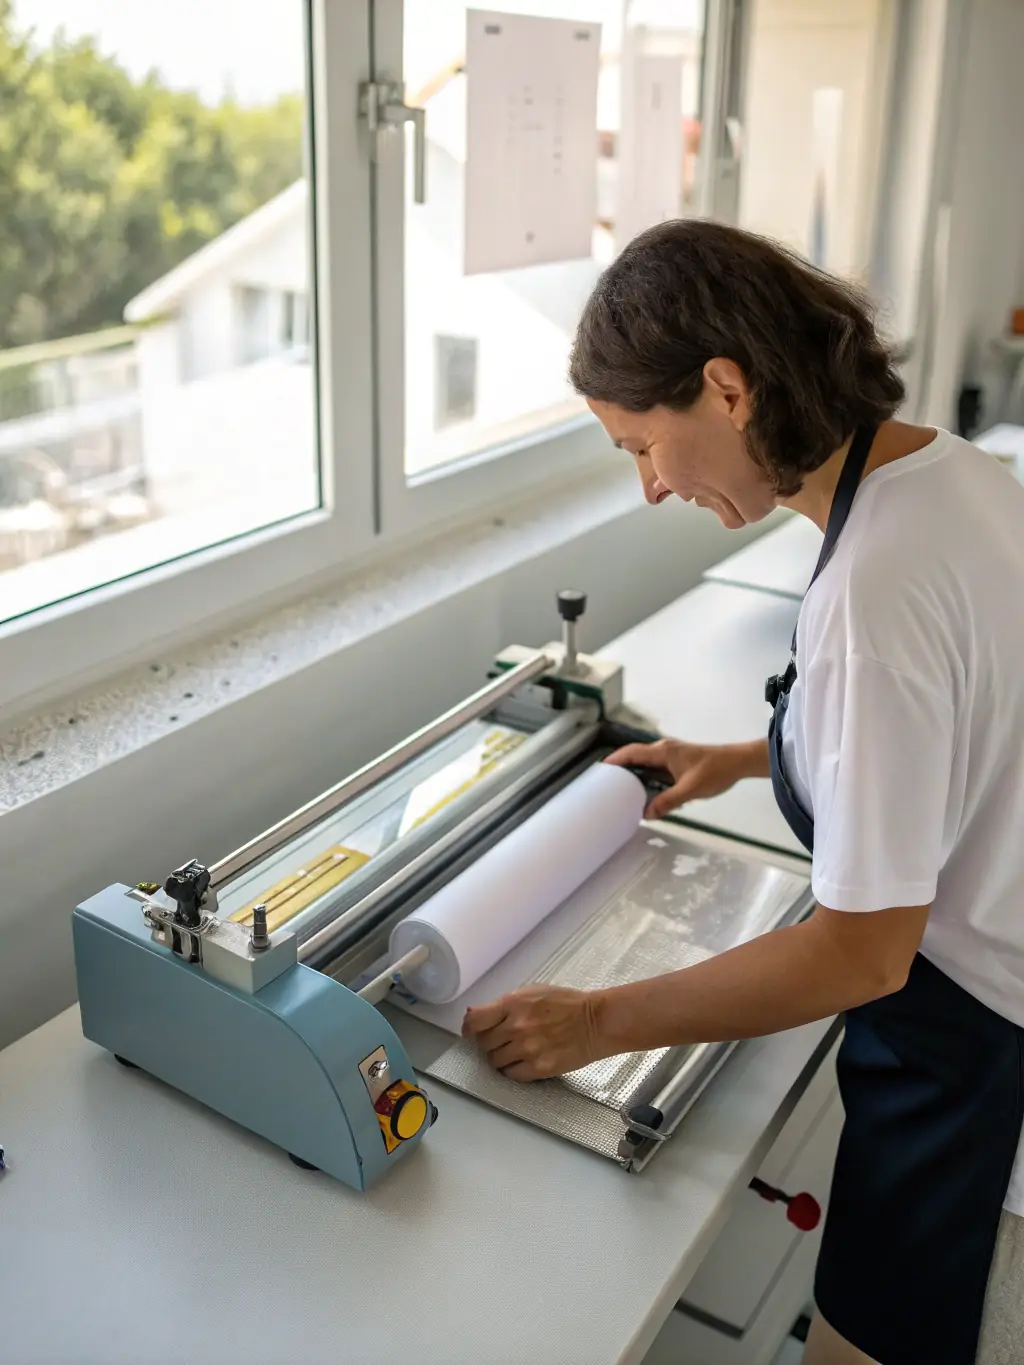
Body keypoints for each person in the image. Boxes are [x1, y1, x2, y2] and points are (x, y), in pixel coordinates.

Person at [462, 220, 1024, 1365]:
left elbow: (861, 955)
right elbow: (947, 729)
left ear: (723, 388)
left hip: (970, 1061)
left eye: (640, 447)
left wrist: (596, 1020)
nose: (652, 490)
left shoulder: (874, 588)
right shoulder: (945, 473)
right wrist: (742, 757)